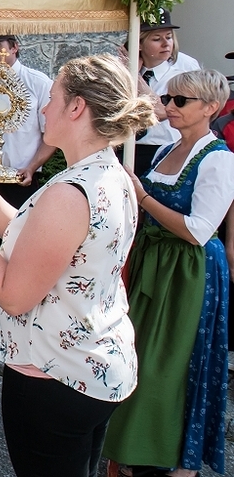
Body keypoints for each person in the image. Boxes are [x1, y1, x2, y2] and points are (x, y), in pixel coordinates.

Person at [0, 54, 154, 477]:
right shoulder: (109, 174)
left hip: (55, 374)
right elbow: (31, 240)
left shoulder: (69, 193)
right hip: (93, 364)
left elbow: (13, 296)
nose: (43, 108)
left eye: (53, 98)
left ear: (77, 107)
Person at [102, 69, 234, 477]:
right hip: (154, 261)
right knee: (140, 356)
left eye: (180, 100)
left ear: (210, 108)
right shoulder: (164, 150)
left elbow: (198, 230)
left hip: (189, 271)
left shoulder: (220, 160)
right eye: (167, 98)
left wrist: (142, 197)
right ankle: (136, 448)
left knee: (172, 364)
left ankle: (178, 459)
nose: (169, 106)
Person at [0, 34, 56, 341]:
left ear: (14, 47)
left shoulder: (37, 84)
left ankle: (18, 316)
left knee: (18, 250)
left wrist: (32, 166)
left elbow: (50, 135)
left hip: (21, 181)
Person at [131, 10, 201, 176]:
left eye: (169, 37)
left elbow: (162, 112)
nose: (165, 44)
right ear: (138, 44)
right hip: (130, 148)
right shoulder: (126, 72)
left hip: (166, 147)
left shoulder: (180, 74)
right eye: (156, 39)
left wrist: (135, 77)